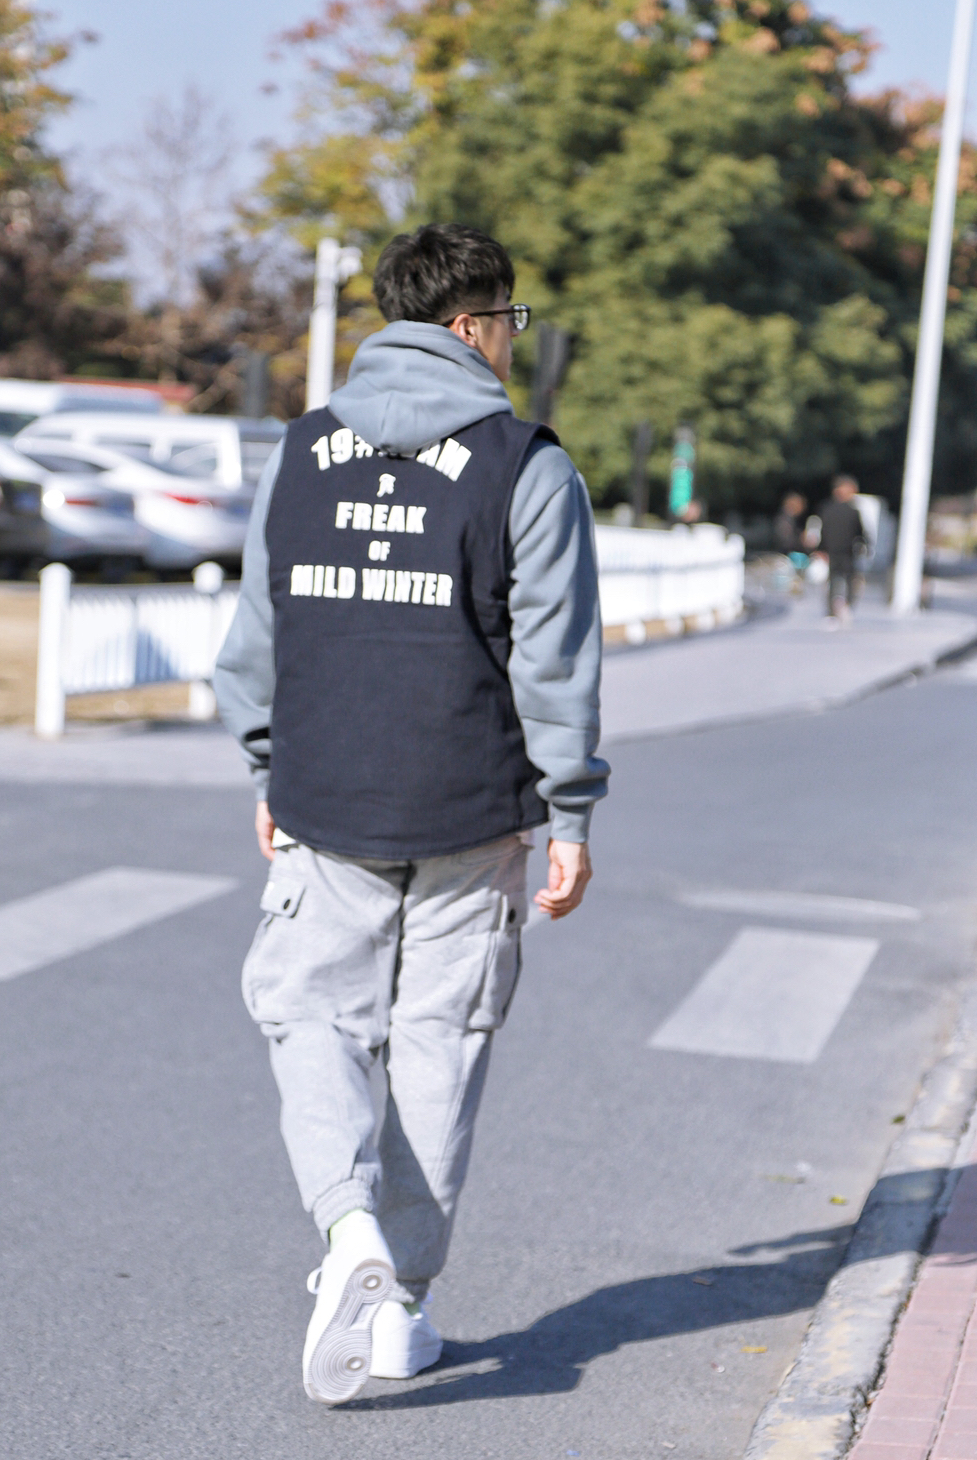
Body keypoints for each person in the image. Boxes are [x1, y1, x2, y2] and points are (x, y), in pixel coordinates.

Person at [214, 223, 609, 1406]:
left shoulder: (299, 451)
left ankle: (348, 1231)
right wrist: (571, 813)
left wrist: (265, 769)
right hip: (470, 804)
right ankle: (401, 1308)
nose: (510, 341)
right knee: (440, 1043)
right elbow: (553, 660)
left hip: (323, 793)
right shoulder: (524, 464)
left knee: (311, 1017)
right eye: (509, 320)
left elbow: (260, 631)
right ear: (469, 327)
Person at [817, 474, 865, 624]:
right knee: (842, 581)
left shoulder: (830, 509)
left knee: (838, 581)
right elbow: (861, 534)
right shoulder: (850, 511)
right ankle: (841, 608)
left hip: (842, 552)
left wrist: (822, 549)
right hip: (841, 552)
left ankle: (835, 610)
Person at [773, 492, 806, 559]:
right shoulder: (784, 520)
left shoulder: (791, 519)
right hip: (784, 557)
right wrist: (801, 540)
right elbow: (786, 541)